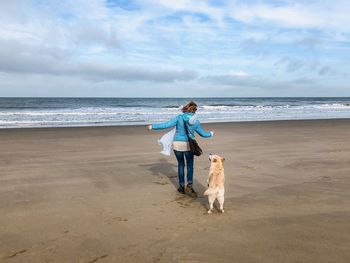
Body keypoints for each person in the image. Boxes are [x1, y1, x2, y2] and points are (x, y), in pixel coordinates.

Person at [147, 101, 214, 197]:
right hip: (188, 145)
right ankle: (190, 186)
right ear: (194, 110)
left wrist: (152, 126)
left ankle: (181, 186)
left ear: (186, 108)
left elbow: (166, 125)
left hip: (177, 144)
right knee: (190, 165)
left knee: (181, 165)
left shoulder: (179, 118)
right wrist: (211, 133)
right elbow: (203, 134)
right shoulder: (195, 121)